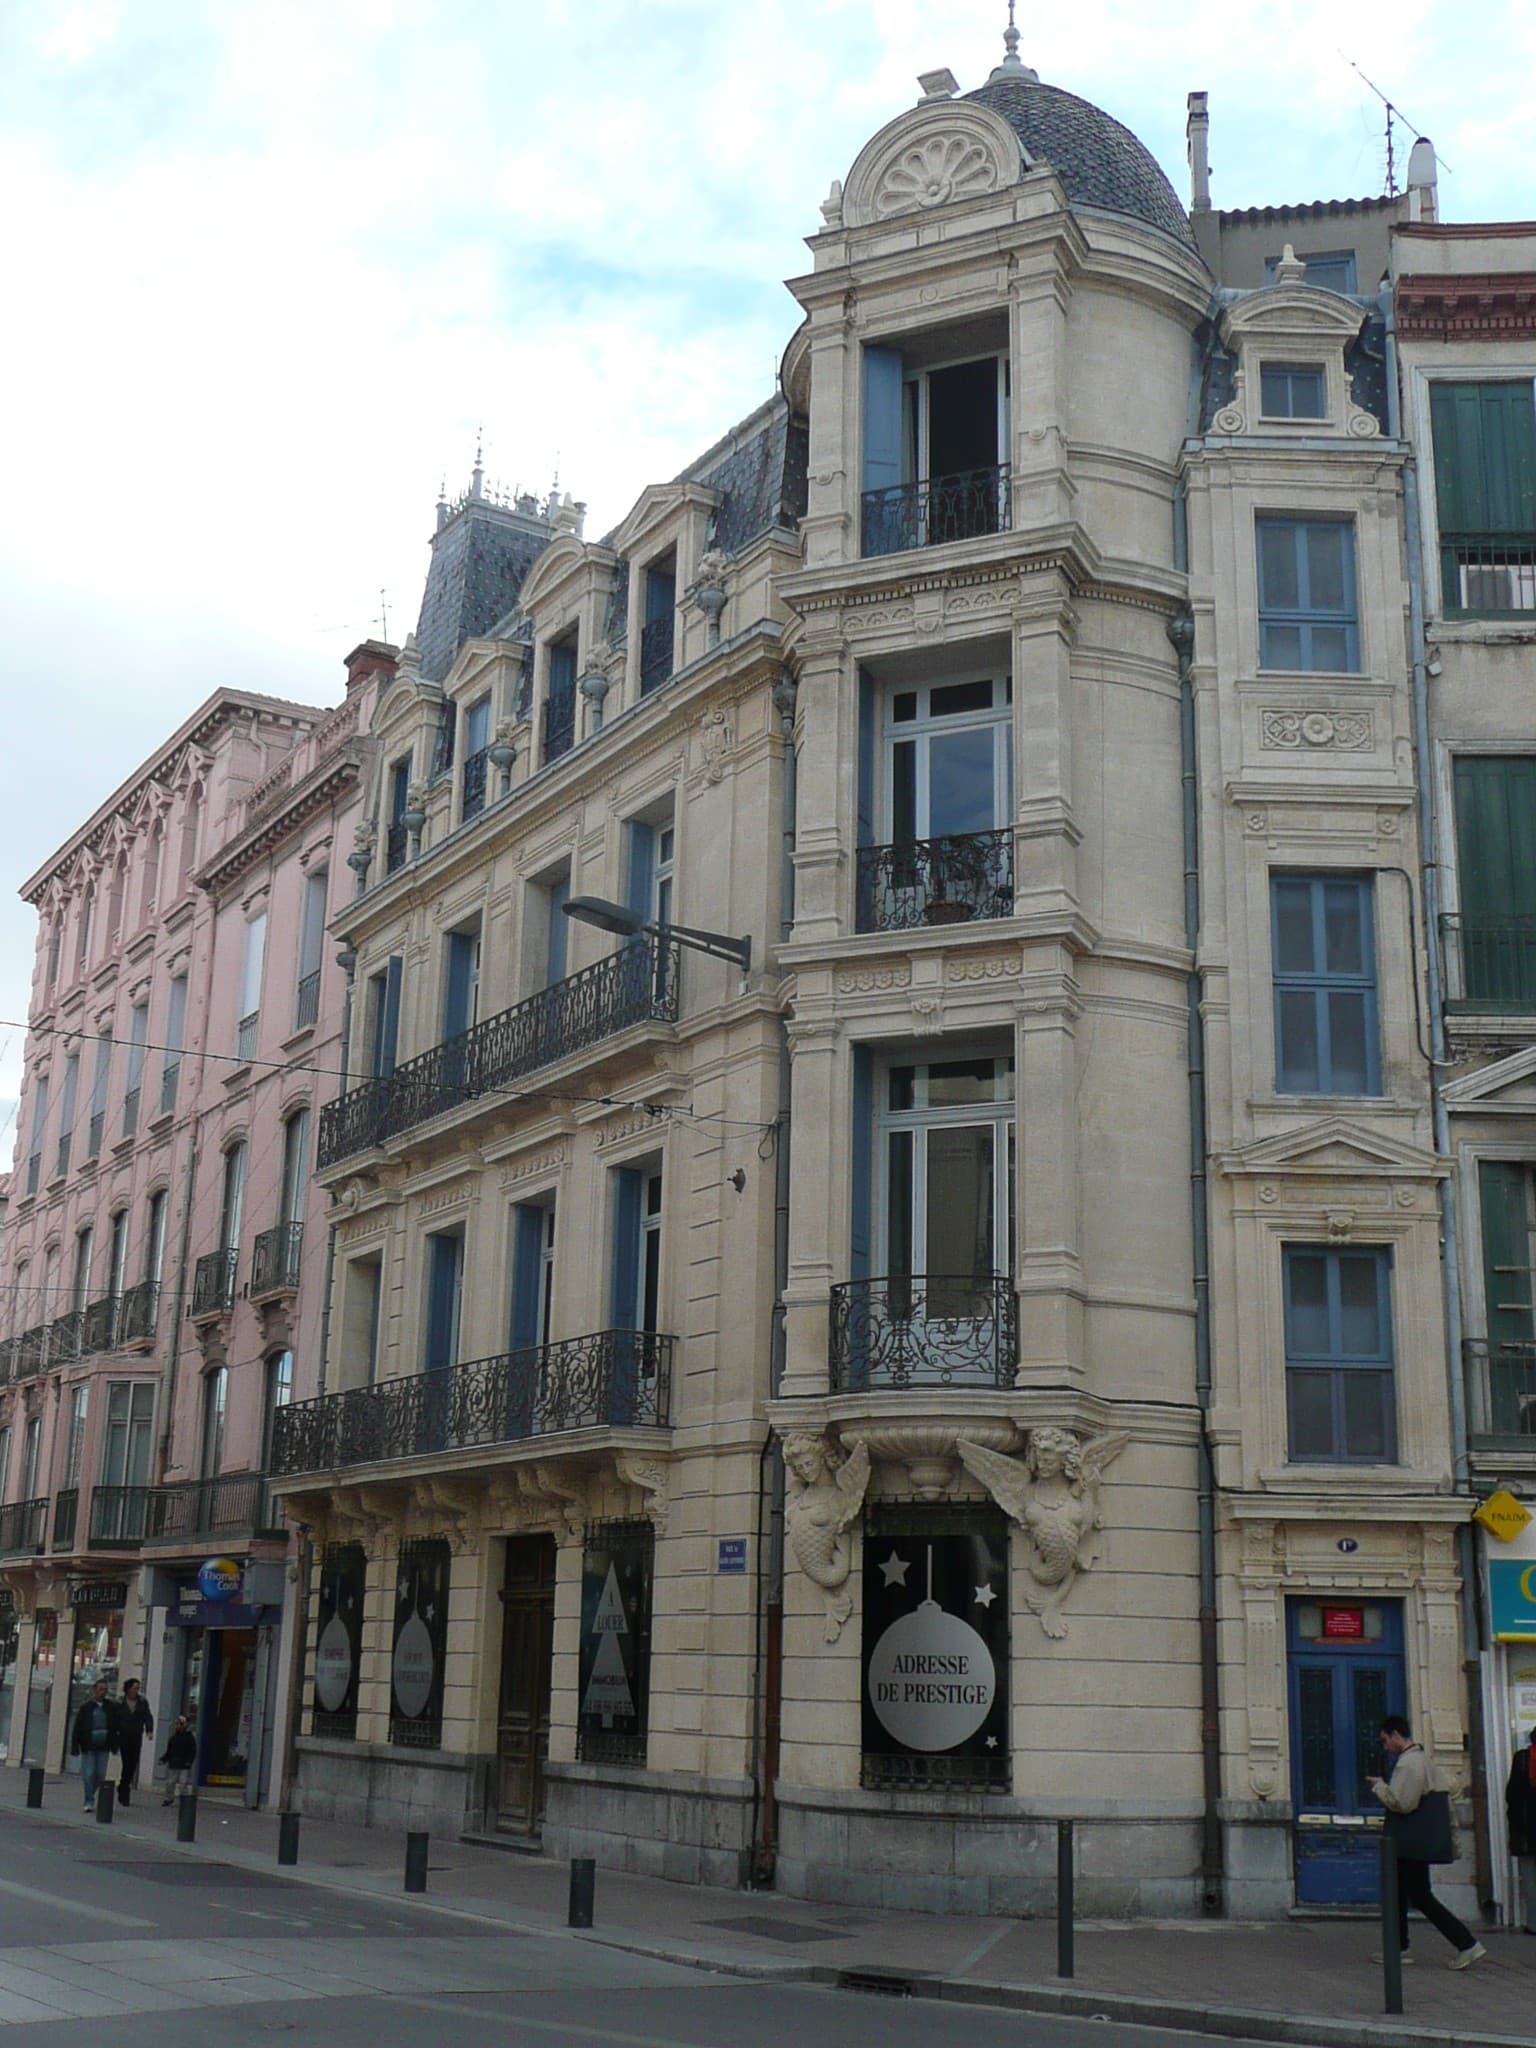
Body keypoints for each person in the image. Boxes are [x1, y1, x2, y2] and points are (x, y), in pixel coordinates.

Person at [1369, 1713, 1486, 1969]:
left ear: (1397, 1736)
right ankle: (1398, 1947)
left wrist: (1379, 1786)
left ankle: (1466, 1943)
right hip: (1414, 1841)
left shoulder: (1408, 1764)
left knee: (1419, 1896)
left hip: (1409, 1842)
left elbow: (1402, 1803)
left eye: (1385, 1740)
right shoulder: (1422, 1760)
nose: (1385, 1747)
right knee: (1401, 1894)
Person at [70, 1678, 120, 1815]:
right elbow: (78, 1727)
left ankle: (90, 1794)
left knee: (100, 1775)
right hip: (89, 1746)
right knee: (89, 1773)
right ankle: (88, 1801)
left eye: (105, 1689)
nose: (103, 1692)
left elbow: (115, 1727)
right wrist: (75, 1746)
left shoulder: (110, 1707)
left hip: (104, 1747)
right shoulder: (86, 1708)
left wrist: (115, 1745)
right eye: (100, 1689)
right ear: (94, 1690)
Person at [1506, 1723, 1536, 1935]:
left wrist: (1515, 1826)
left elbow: (1512, 1795)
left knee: (1530, 1880)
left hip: (1526, 1830)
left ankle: (1534, 1924)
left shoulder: (1522, 1759)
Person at [116, 1678, 154, 1807]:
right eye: (134, 1688)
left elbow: (148, 1716)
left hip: (136, 1736)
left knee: (133, 1764)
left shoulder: (142, 1702)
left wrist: (149, 1730)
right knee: (126, 1763)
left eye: (138, 1688)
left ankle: (123, 1785)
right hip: (123, 1736)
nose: (136, 1691)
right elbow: (114, 1718)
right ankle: (124, 1791)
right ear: (128, 1689)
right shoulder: (120, 1702)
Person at [159, 1716, 197, 1805]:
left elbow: (192, 1751)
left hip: (184, 1765)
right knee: (170, 1783)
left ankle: (184, 1800)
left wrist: (189, 1762)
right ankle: (169, 1798)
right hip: (173, 1764)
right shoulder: (173, 1738)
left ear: (184, 1725)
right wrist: (163, 1759)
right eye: (176, 1724)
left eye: (179, 1724)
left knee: (183, 1783)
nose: (177, 1726)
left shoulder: (189, 1738)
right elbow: (169, 1751)